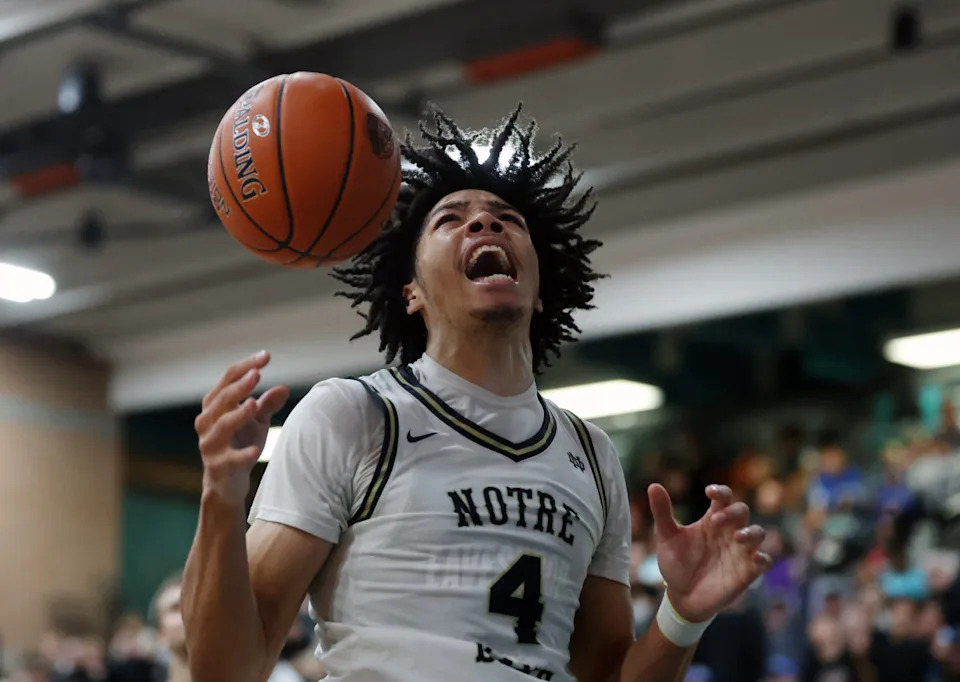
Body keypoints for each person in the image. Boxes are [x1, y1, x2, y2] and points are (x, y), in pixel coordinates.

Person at [182, 105, 772, 682]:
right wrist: (220, 498)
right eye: (450, 219)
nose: (484, 223)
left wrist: (683, 615)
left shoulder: (590, 455)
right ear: (411, 291)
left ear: (540, 289)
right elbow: (226, 671)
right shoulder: (355, 415)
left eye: (505, 218)